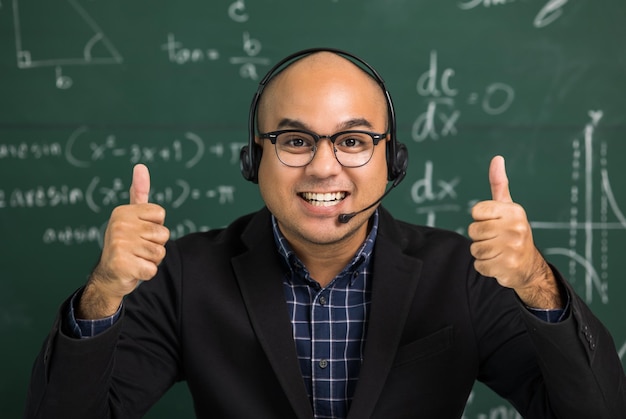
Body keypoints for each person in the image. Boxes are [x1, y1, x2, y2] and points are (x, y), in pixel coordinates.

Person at [25, 48, 625, 419]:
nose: (322, 166)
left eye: (353, 141)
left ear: (393, 162)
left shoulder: (464, 273)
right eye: (293, 141)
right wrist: (103, 292)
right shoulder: (183, 274)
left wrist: (535, 284)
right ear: (251, 160)